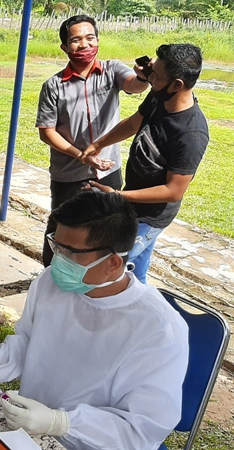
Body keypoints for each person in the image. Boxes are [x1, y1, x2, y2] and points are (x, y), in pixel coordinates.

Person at [0, 191, 189, 450]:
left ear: (113, 263)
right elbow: (30, 343)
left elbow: (139, 431)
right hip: (28, 431)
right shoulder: (50, 282)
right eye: (56, 246)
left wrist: (62, 423)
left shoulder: (159, 331)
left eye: (70, 253)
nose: (57, 259)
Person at [83, 44, 208, 284]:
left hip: (151, 217)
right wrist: (99, 144)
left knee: (110, 266)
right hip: (133, 202)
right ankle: (138, 305)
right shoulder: (160, 96)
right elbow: (134, 123)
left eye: (156, 77)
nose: (150, 80)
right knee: (135, 271)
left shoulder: (191, 133)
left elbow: (174, 191)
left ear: (177, 85)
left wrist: (118, 195)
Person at [36, 15, 149, 267]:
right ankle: (51, 277)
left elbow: (133, 85)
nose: (84, 45)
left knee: (108, 228)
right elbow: (47, 131)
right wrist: (81, 155)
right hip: (69, 174)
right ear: (64, 47)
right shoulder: (54, 86)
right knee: (61, 229)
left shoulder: (112, 70)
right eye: (76, 40)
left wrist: (143, 77)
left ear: (98, 40)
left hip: (108, 170)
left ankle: (98, 280)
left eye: (90, 38)